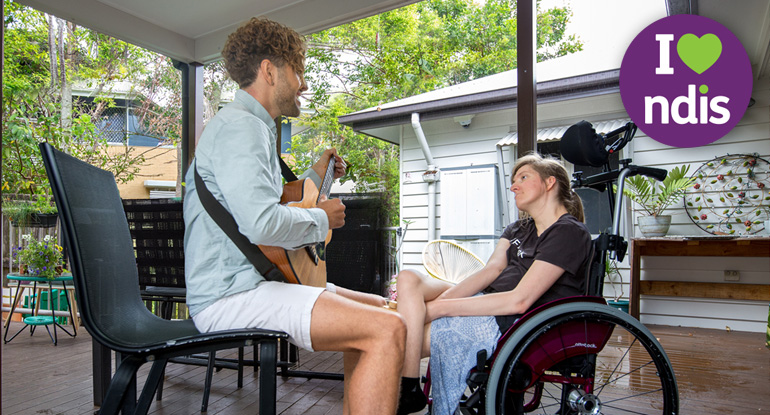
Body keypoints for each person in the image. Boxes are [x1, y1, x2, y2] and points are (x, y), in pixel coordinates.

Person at [183, 17, 406, 415]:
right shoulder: (242, 128)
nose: (303, 83)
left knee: (382, 309)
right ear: (270, 70)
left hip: (253, 285)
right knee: (385, 328)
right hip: (231, 296)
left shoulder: (250, 128)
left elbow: (270, 204)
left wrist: (316, 179)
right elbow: (262, 224)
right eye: (298, 70)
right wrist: (323, 220)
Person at [395, 153, 592, 415]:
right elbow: (491, 270)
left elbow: (519, 300)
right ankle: (409, 386)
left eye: (523, 177)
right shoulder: (517, 229)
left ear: (549, 183)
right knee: (408, 279)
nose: (513, 186)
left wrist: (439, 310)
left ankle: (402, 386)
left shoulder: (568, 231)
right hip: (487, 297)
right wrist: (443, 303)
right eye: (513, 181)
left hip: (515, 318)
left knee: (394, 339)